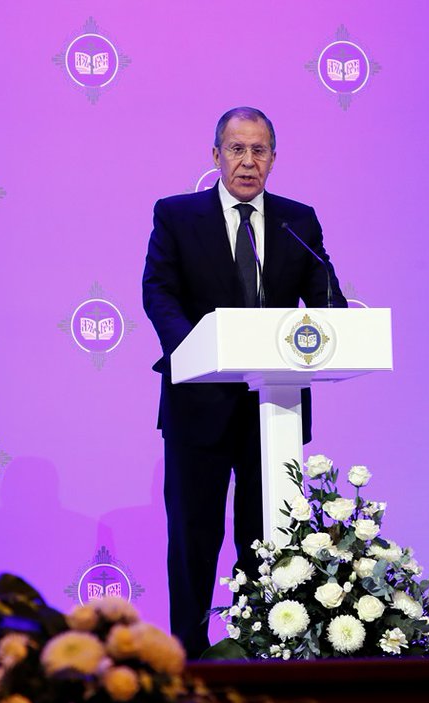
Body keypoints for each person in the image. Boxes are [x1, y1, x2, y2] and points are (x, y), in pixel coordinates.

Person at [142, 106, 346, 656]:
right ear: (216, 156)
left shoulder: (296, 221)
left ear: (274, 159)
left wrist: (339, 318)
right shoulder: (177, 215)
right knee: (194, 539)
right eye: (237, 149)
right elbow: (158, 291)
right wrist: (194, 350)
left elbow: (325, 298)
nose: (248, 161)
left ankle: (262, 649)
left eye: (259, 150)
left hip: (272, 410)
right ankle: (186, 655)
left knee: (267, 541)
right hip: (198, 406)